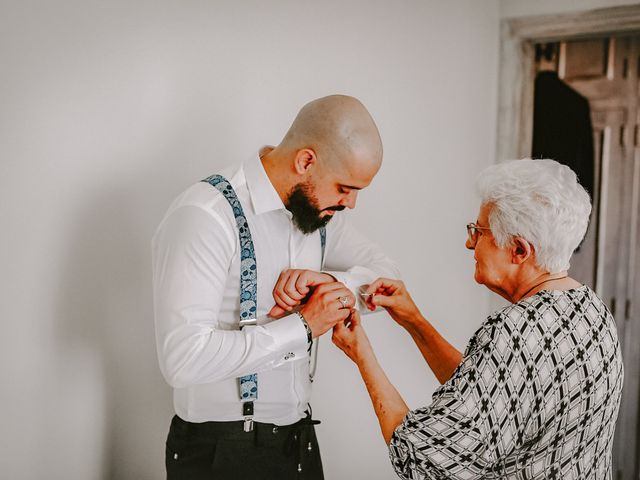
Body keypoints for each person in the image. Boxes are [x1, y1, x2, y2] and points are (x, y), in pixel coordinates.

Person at [152, 94, 399, 479]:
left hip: (299, 442)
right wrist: (302, 326)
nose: (350, 204)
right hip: (221, 453)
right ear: (306, 161)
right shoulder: (206, 214)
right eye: (345, 188)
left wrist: (333, 284)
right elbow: (183, 359)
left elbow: (387, 278)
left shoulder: (322, 213)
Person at [332, 159, 624, 479]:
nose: (470, 243)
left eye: (479, 231)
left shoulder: (513, 332)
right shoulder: (592, 310)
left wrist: (362, 354)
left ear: (519, 250)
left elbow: (419, 457)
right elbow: (492, 395)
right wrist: (414, 320)